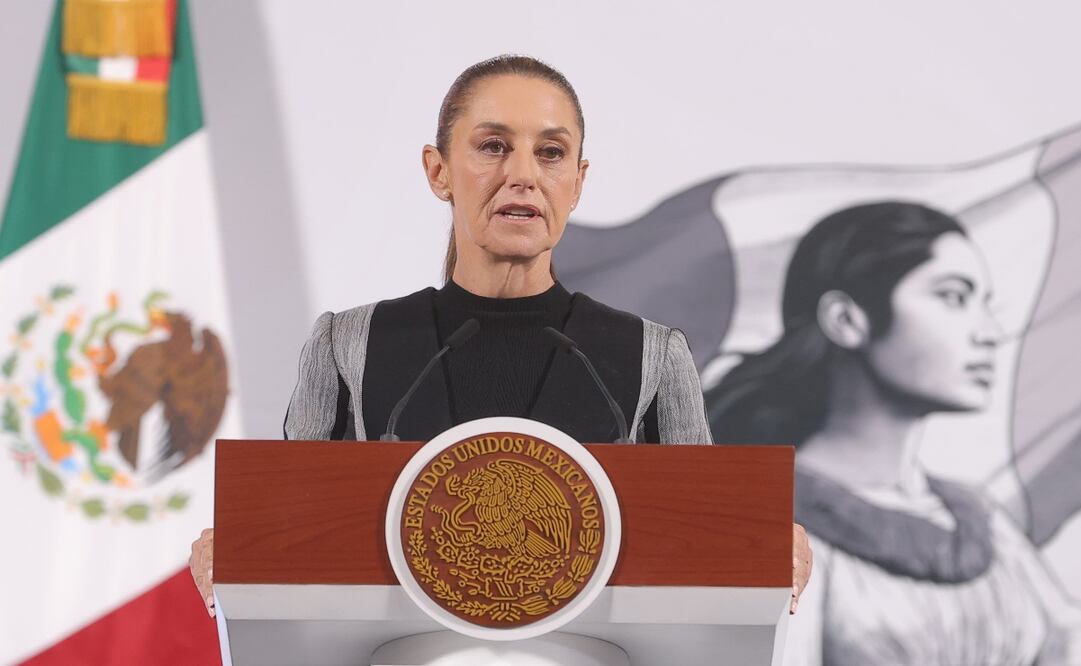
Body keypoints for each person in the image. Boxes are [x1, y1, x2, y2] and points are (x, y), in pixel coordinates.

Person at [190, 54, 812, 620]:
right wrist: (239, 547)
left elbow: (704, 539)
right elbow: (287, 530)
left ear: (578, 180)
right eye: (492, 146)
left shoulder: (651, 357)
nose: (523, 175)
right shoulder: (349, 344)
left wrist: (764, 543)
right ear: (438, 171)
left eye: (550, 153)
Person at [706, 202, 1081, 665]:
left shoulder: (983, 523)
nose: (990, 332)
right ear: (846, 319)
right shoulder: (767, 518)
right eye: (954, 296)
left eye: (986, 304)